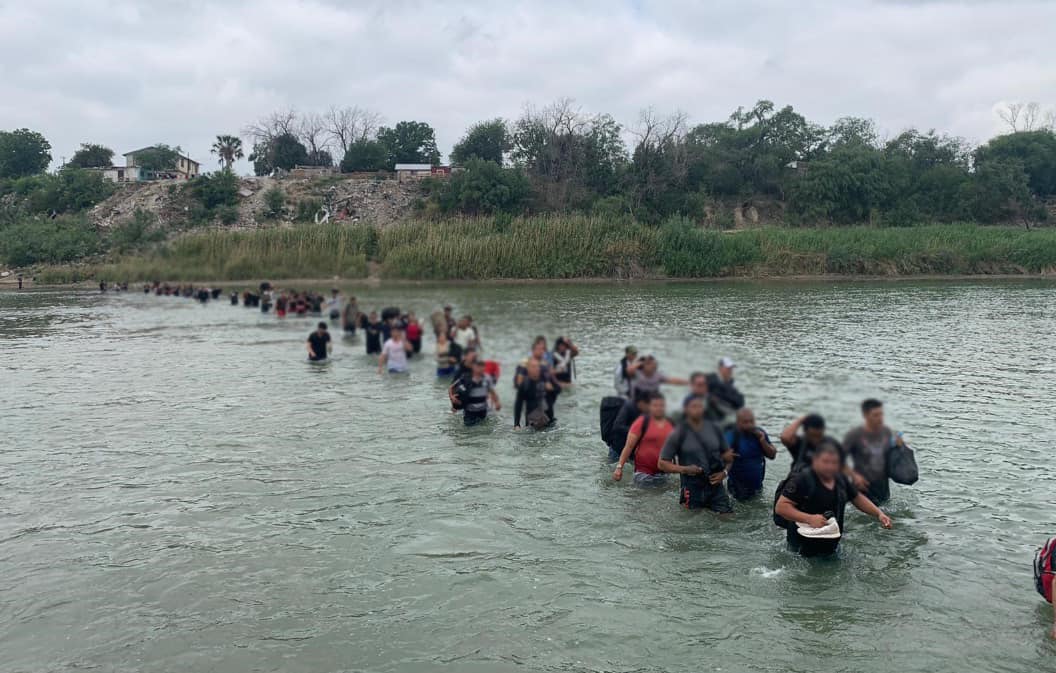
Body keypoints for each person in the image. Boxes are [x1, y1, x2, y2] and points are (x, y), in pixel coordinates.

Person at [774, 444, 893, 558]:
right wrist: (809, 518)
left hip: (831, 542)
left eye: (834, 462)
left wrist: (879, 514)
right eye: (825, 462)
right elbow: (781, 507)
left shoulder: (840, 479)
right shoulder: (801, 480)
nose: (830, 466)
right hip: (801, 546)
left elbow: (856, 498)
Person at [657, 395, 734, 513]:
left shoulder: (715, 429)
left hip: (716, 486)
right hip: (691, 488)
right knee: (693, 525)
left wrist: (724, 473)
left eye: (700, 406)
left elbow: (729, 456)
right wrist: (685, 469)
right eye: (694, 406)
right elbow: (662, 464)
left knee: (728, 521)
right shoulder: (678, 434)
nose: (698, 409)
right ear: (686, 409)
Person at [843, 398, 906, 505]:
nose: (880, 418)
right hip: (862, 486)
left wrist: (900, 446)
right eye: (876, 415)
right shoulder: (854, 435)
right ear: (865, 415)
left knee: (884, 514)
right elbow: (838, 460)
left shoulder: (886, 432)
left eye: (881, 414)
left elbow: (892, 458)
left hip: (882, 487)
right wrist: (854, 476)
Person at [613, 392, 675, 487]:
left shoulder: (670, 423)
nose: (658, 408)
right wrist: (619, 467)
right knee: (642, 498)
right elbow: (629, 446)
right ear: (650, 407)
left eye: (661, 405)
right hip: (643, 473)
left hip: (664, 473)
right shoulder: (642, 422)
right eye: (655, 405)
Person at [725, 408, 777, 500]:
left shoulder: (760, 433)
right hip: (737, 488)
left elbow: (772, 455)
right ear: (738, 423)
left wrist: (763, 441)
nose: (749, 425)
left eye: (751, 421)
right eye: (745, 422)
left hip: (757, 485)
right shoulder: (731, 435)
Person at [779, 413, 846, 475]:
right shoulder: (799, 443)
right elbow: (785, 437)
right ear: (805, 432)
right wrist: (802, 419)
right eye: (813, 436)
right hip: (801, 478)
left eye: (819, 436)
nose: (816, 440)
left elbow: (842, 467)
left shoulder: (832, 445)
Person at [451, 359, 502, 426]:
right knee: (469, 432)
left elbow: (492, 391)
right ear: (473, 367)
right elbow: (452, 388)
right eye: (478, 366)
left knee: (483, 431)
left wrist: (497, 402)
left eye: (482, 366)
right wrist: (453, 400)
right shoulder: (465, 378)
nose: (481, 368)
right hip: (469, 412)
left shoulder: (487, 378)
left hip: (483, 411)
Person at [608, 391, 650, 461]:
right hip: (618, 448)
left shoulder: (648, 411)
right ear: (640, 402)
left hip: (634, 449)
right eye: (647, 405)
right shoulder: (628, 407)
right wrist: (636, 431)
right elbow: (617, 426)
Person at [514, 359, 554, 430]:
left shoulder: (545, 380)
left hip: (548, 420)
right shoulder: (525, 385)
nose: (536, 369)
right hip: (533, 421)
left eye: (538, 366)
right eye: (533, 367)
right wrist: (517, 424)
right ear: (528, 369)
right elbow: (518, 405)